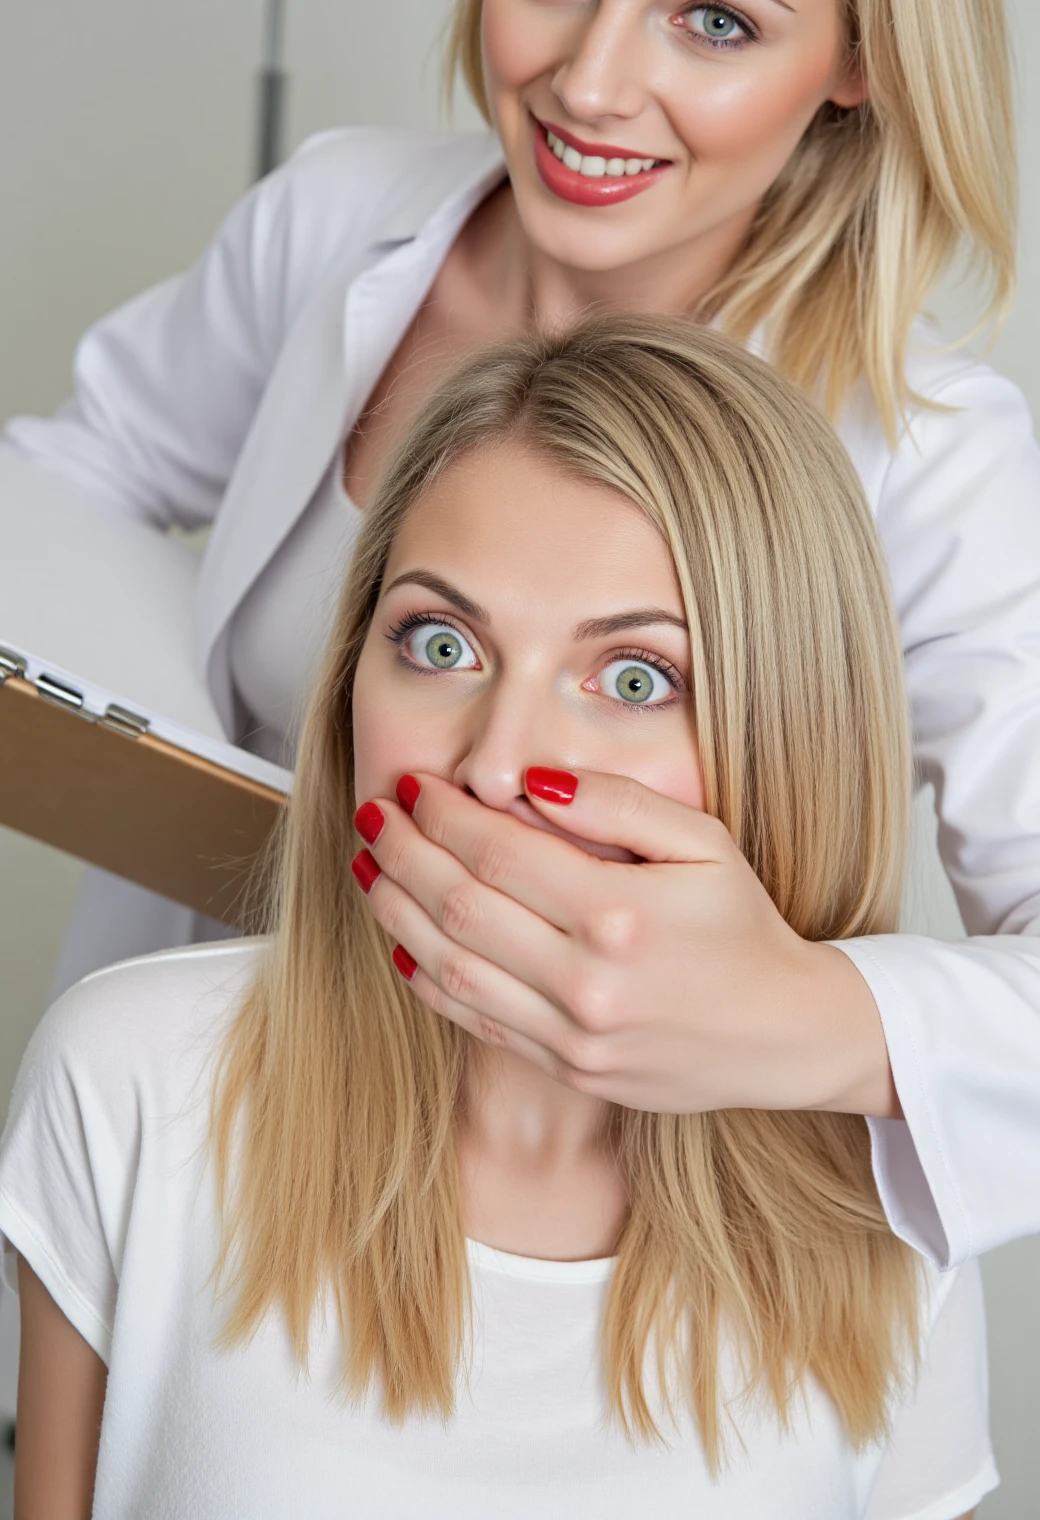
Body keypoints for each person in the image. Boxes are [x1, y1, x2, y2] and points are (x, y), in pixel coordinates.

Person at [2, 0, 1037, 1271]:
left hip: (596, 1256)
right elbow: (76, 477)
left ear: (862, 62)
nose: (589, 84)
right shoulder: (339, 214)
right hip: (192, 1126)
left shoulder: (928, 458)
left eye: (714, 21)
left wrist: (805, 1014)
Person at [2, 317, 995, 1519]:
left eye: (635, 678)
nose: (496, 761)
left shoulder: (889, 1202)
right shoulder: (130, 1079)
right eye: (439, 642)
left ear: (783, 739)